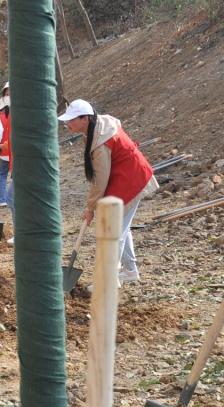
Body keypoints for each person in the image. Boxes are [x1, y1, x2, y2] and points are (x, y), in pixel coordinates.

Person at [59, 99, 157, 286]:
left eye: (71, 120)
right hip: (123, 178)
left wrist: (90, 208)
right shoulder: (96, 129)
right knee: (120, 228)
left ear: (85, 119)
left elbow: (100, 179)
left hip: (131, 180)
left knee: (113, 231)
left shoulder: (101, 141)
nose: (67, 124)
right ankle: (130, 270)